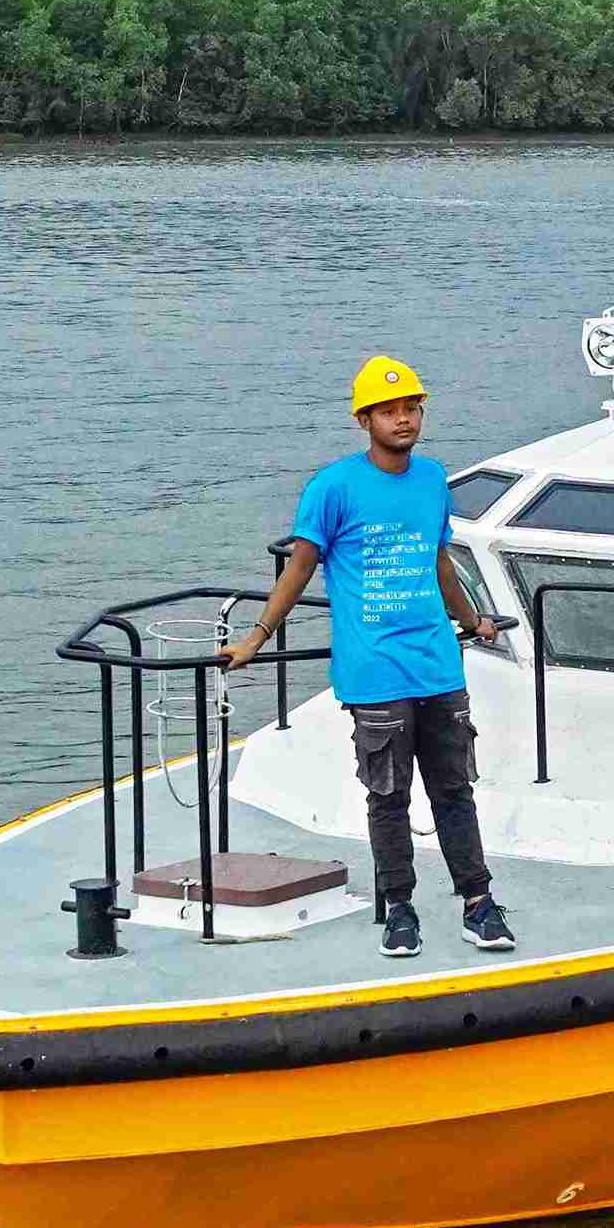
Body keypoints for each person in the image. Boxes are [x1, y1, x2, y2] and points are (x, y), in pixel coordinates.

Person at [224, 355, 518, 958]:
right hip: (374, 671)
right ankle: (400, 910)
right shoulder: (333, 488)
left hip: (437, 665)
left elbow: (438, 562)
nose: (402, 419)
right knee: (388, 797)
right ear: (364, 420)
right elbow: (300, 568)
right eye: (388, 411)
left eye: (411, 408)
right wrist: (257, 636)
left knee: (454, 790)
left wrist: (473, 621)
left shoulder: (432, 479)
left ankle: (479, 903)